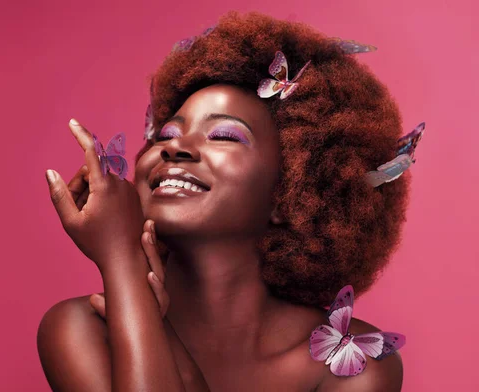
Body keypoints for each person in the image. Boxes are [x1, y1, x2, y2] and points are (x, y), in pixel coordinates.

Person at [38, 11, 409, 391]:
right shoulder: (81, 328)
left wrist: (125, 265)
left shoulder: (351, 367)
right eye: (166, 134)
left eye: (225, 136)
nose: (175, 148)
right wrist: (123, 261)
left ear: (291, 193)